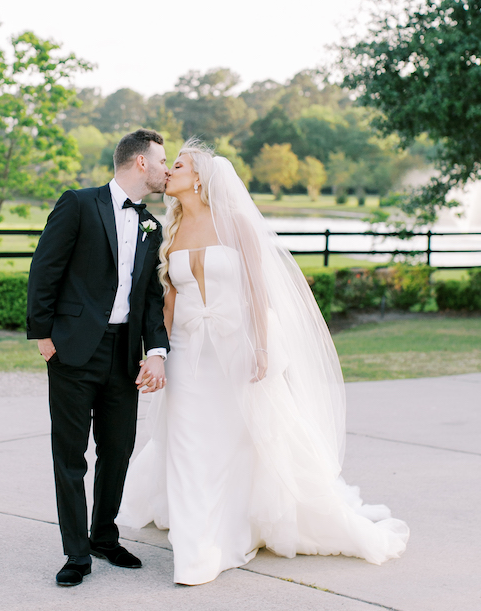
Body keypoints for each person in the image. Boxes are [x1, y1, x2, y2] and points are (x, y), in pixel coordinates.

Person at [117, 140, 410, 586]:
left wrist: (261, 348)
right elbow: (168, 302)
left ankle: (234, 526)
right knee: (186, 442)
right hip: (186, 351)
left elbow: (258, 290)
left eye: (178, 165)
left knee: (237, 441)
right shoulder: (168, 230)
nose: (168, 171)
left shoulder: (235, 224)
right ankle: (198, 548)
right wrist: (156, 355)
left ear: (200, 177)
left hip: (234, 348)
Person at [27, 129, 170, 586]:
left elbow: (150, 299)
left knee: (118, 450)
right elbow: (44, 268)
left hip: (124, 354)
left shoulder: (153, 226)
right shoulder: (79, 203)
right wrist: (42, 335)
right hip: (72, 349)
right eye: (162, 160)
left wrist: (157, 352)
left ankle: (104, 537)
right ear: (141, 163)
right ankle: (76, 555)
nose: (167, 169)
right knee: (70, 455)